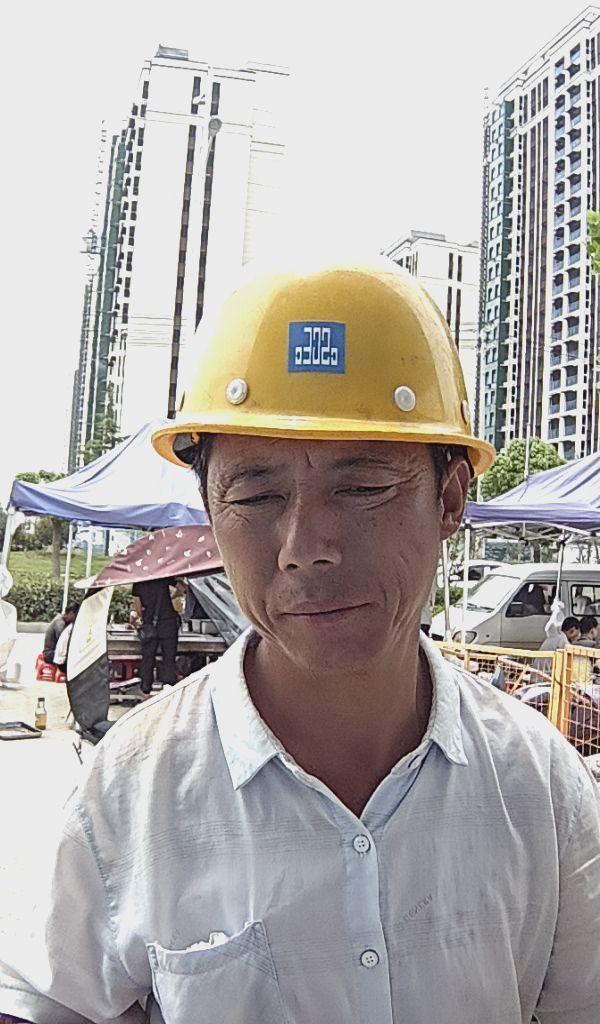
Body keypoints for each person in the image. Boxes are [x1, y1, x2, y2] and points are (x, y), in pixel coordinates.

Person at [1, 259, 599, 1024]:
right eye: (256, 495)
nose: (305, 547)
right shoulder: (132, 792)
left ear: (450, 499)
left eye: (361, 488)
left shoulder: (540, 787)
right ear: (209, 511)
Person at [131, 576, 179, 694]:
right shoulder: (164, 576)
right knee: (169, 657)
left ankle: (146, 687)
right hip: (168, 623)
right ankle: (169, 687)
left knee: (148, 657)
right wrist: (172, 597)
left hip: (150, 624)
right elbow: (182, 588)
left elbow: (138, 610)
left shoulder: (138, 583)